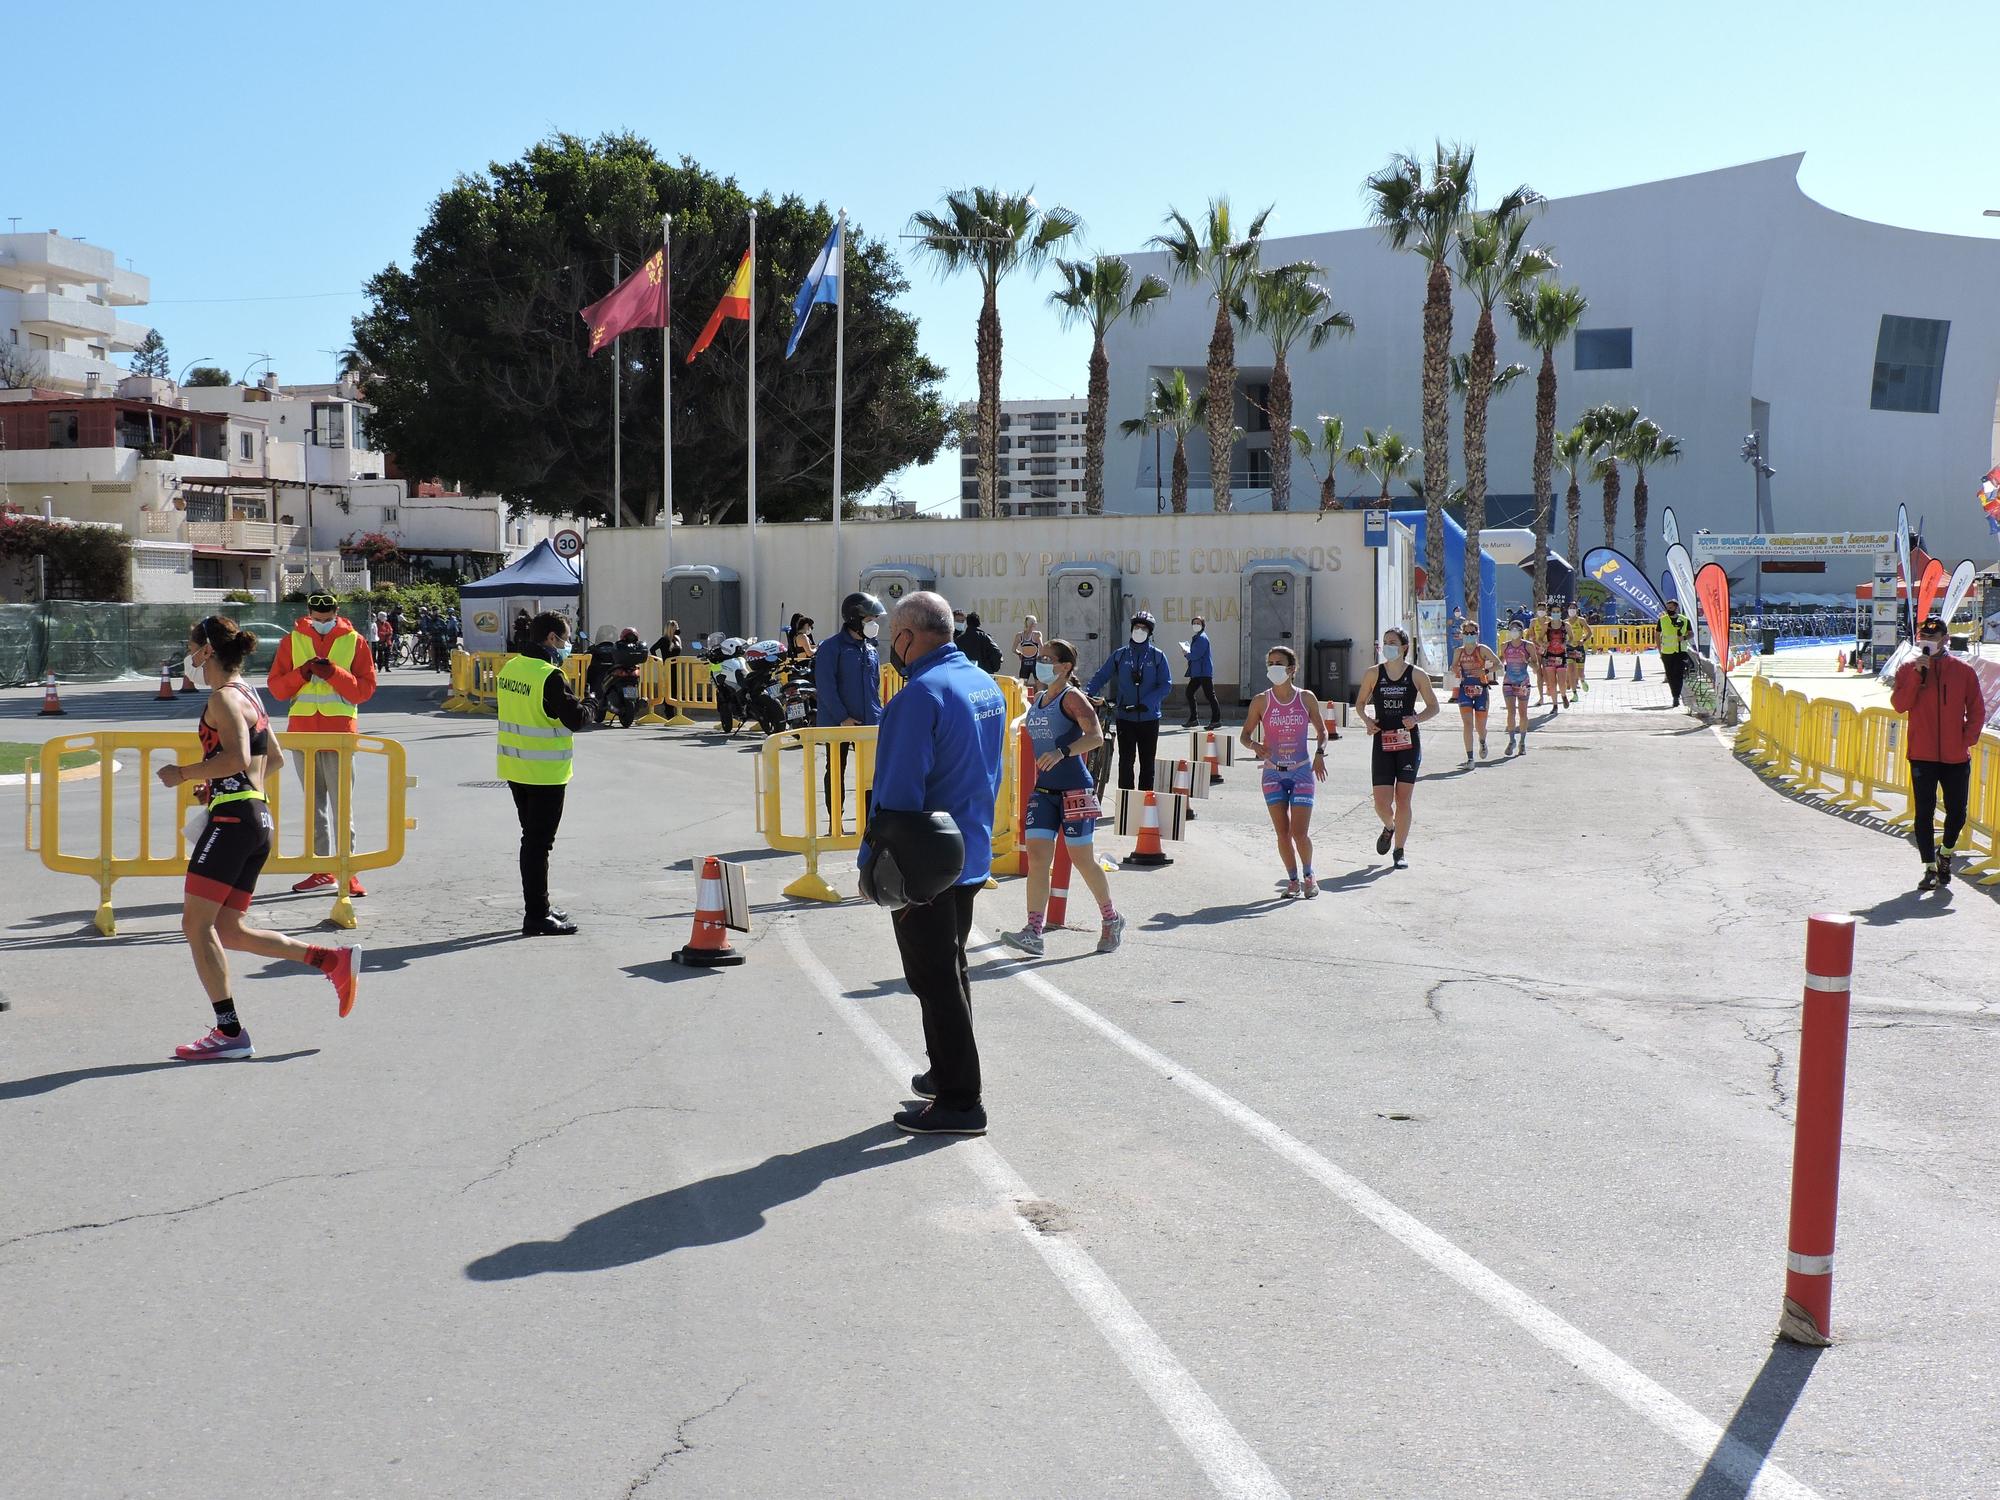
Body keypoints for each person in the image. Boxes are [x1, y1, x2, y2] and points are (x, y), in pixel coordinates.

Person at [159, 615, 359, 1060]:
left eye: (191, 647)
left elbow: (236, 757)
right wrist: (229, 788)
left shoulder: (224, 698)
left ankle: (229, 1034)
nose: (189, 657)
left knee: (195, 925)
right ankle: (331, 961)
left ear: (207, 650)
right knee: (227, 930)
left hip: (234, 822)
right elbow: (276, 759)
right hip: (253, 818)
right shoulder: (249, 693)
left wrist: (184, 774)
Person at [863, 591, 1006, 1136]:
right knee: (952, 966)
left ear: (906, 636)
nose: (889, 649)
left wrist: (873, 866)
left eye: (891, 638)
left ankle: (960, 1100)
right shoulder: (982, 683)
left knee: (933, 979)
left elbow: (896, 797)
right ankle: (947, 1072)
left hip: (923, 860)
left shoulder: (917, 697)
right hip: (969, 848)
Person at [1004, 638, 1125, 956]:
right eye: (1040, 657)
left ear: (1065, 666)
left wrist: (1063, 752)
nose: (1041, 662)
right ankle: (1034, 930)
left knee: (1082, 860)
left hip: (1075, 790)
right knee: (1038, 860)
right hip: (1044, 792)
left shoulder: (1073, 699)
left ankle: (1111, 919)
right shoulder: (1041, 697)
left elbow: (1096, 737)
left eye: (1047, 658)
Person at [267, 591, 378, 897]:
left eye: (327, 619)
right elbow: (276, 688)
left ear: (336, 612)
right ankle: (322, 870)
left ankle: (348, 872)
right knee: (314, 807)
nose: (322, 623)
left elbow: (364, 690)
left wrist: (333, 673)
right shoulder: (291, 641)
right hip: (303, 732)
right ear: (309, 613)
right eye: (318, 618)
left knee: (343, 806)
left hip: (339, 732)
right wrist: (302, 674)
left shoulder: (354, 641)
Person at [498, 612, 588, 935]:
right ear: (551, 638)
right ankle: (537, 914)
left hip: (516, 769)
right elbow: (575, 719)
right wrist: (588, 705)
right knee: (538, 845)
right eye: (565, 639)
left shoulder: (511, 668)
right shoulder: (549, 676)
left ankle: (541, 907)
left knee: (532, 842)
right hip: (545, 773)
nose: (567, 646)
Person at [1892, 616, 1988, 891]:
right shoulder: (1908, 668)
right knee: (1924, 811)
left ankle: (1945, 853)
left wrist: (1966, 740)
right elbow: (1900, 705)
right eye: (1924, 637)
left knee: (1957, 811)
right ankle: (1929, 868)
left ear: (1945, 639)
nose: (1928, 642)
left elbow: (1977, 709)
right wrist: (1915, 676)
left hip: (1955, 755)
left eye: (1934, 638)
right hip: (1922, 753)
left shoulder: (1963, 671)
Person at [1239, 645, 1331, 898]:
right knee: (1282, 832)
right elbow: (1244, 735)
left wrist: (1320, 754)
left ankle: (1309, 876)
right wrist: (1255, 745)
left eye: (1278, 663)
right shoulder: (1261, 700)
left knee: (1299, 833)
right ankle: (1292, 880)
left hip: (1301, 771)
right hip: (1272, 774)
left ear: (1291, 669)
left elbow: (1323, 732)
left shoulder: (1306, 698)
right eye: (1270, 663)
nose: (1273, 668)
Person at [1357, 627, 1440, 870]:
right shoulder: (1373, 674)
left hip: (1408, 743)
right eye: (1384, 642)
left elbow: (1434, 707)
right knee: (1381, 803)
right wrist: (1367, 720)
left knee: (1403, 799)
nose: (1387, 646)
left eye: (1392, 642)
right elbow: (1360, 704)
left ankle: (1399, 850)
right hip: (1382, 742)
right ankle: (1389, 826)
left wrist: (1416, 719)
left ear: (1404, 647)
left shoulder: (1417, 674)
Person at [816, 592, 886, 829]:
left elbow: (874, 685)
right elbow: (826, 686)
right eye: (869, 619)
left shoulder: (870, 648)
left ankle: (869, 823)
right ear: (854, 618)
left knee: (871, 774)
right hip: (840, 723)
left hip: (869, 723)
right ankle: (835, 821)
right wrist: (842, 717)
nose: (874, 624)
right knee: (836, 770)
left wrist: (879, 715)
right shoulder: (831, 647)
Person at [1087, 609, 1173, 792]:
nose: (1139, 630)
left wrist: (1148, 702)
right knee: (1126, 761)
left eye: (1144, 628)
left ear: (1150, 632)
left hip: (1149, 717)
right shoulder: (1120, 655)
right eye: (1136, 627)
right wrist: (1087, 695)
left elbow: (1165, 685)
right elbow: (1101, 676)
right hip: (1125, 717)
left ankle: (1145, 801)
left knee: (1147, 762)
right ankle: (1126, 801)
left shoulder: (1158, 656)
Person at [1451, 623, 1500, 764]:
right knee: (1467, 724)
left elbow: (1499, 664)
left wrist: (1485, 671)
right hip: (1464, 690)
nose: (1469, 636)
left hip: (1481, 690)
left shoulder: (1482, 649)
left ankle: (1483, 740)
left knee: (1480, 726)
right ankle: (1470, 758)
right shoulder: (1458, 652)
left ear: (1477, 634)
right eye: (1466, 633)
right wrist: (1455, 669)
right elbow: (1453, 666)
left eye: (1472, 633)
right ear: (1462, 634)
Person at [1180, 614, 1221, 729]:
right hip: (1198, 672)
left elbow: (1196, 655)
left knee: (1210, 696)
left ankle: (1216, 720)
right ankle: (1193, 719)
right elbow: (1196, 654)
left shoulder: (1202, 638)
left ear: (1203, 625)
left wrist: (1186, 654)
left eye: (1198, 623)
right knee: (1190, 693)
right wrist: (1188, 653)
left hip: (1203, 672)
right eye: (1194, 623)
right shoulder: (1198, 637)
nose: (1196, 625)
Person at [1498, 621, 1533, 754]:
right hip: (1508, 682)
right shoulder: (1504, 646)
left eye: (1516, 629)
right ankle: (1511, 740)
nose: (1514, 631)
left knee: (1522, 713)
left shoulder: (1528, 646)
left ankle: (1522, 742)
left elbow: (1536, 666)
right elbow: (1500, 661)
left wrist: (1527, 661)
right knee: (1511, 712)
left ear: (1522, 631)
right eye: (1511, 628)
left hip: (1523, 682)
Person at [1658, 597, 1695, 707]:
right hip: (1667, 652)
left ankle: (1676, 696)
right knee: (1670, 675)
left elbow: (1691, 633)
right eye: (1667, 607)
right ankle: (1674, 693)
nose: (1669, 609)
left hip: (1681, 651)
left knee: (1678, 674)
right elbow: (1657, 635)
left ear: (1676, 608)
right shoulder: (1662, 620)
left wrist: (1683, 638)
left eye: (1671, 607)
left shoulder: (1684, 620)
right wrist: (1659, 650)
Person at [1542, 605, 1571, 712]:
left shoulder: (1566, 625)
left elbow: (1571, 638)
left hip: (1561, 655)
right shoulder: (1546, 626)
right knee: (1551, 682)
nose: (1555, 613)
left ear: (1561, 612)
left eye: (1557, 611)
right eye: (1553, 611)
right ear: (1550, 613)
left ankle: (1563, 696)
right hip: (1549, 655)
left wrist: (1566, 643)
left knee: (1562, 682)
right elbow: (1539, 638)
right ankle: (1555, 705)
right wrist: (1544, 644)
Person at [1015, 616, 1044, 681]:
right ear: (1034, 624)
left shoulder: (1019, 635)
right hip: (1035, 663)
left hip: (1025, 664)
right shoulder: (1037, 634)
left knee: (1022, 687)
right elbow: (1042, 647)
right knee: (1040, 686)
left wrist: (1019, 654)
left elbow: (1013, 650)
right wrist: (1041, 657)